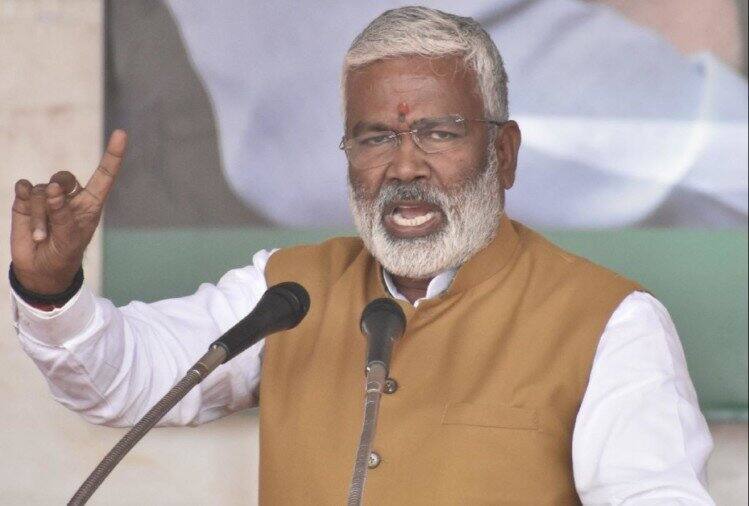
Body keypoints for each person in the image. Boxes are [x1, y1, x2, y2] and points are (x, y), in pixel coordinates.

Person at [10, 6, 714, 505]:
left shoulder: (610, 323)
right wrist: (51, 289)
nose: (404, 167)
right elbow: (120, 379)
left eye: (439, 134)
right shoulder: (286, 294)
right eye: (375, 138)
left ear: (503, 154)